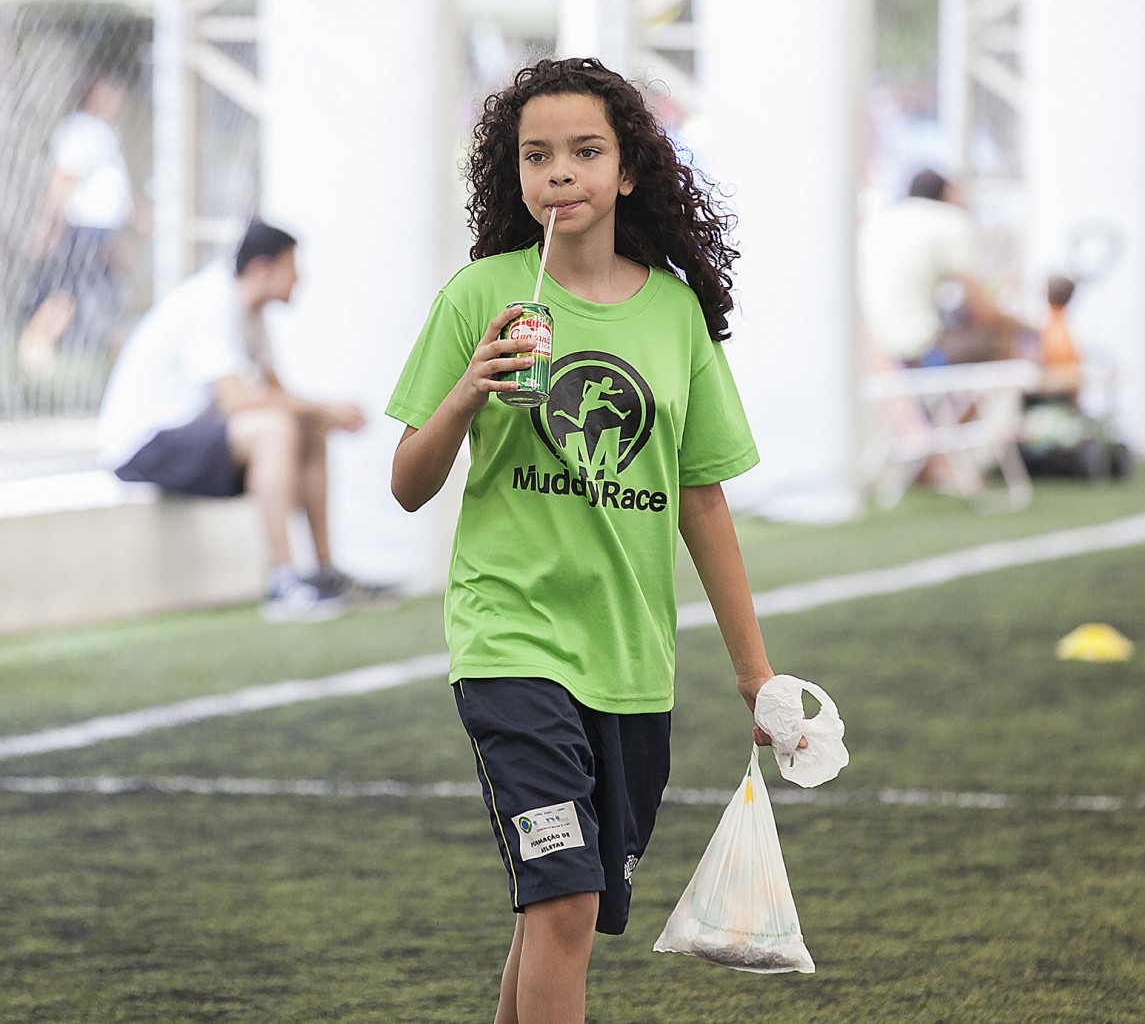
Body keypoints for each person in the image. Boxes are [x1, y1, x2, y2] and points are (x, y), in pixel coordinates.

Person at [387, 57, 799, 1024]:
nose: (559, 172)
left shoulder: (674, 313)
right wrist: (469, 390)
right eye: (537, 156)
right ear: (515, 175)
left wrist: (755, 674)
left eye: (584, 152)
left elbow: (703, 503)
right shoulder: (480, 296)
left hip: (629, 662)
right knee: (565, 895)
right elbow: (408, 485)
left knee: (557, 910)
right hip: (511, 642)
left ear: (628, 171)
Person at [97, 221, 369, 621]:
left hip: (191, 441)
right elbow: (238, 400)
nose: (300, 278)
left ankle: (326, 574)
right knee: (275, 428)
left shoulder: (252, 314)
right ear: (262, 268)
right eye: (292, 266)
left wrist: (323, 416)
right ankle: (283, 581)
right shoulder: (212, 300)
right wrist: (329, 410)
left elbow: (278, 393)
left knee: (306, 427)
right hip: (142, 445)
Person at [19, 72, 135, 379]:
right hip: (83, 227)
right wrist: (52, 223)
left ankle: (115, 363)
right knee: (68, 293)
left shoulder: (104, 131)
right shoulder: (83, 129)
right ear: (93, 94)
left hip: (101, 229)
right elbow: (64, 178)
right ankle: (34, 347)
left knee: (97, 295)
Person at [858, 167, 1025, 366]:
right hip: (918, 351)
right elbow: (980, 309)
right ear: (948, 193)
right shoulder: (950, 220)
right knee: (1003, 337)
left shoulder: (881, 221)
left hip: (874, 352)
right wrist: (1019, 323)